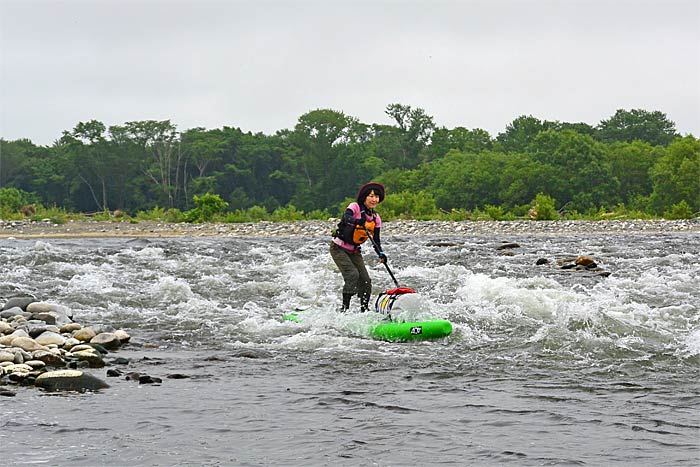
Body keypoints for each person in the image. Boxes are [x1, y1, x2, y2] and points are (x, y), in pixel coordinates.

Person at [330, 182, 388, 312]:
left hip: (354, 251)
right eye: (371, 196)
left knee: (366, 280)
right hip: (338, 248)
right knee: (352, 274)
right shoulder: (354, 207)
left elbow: (376, 240)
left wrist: (381, 254)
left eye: (377, 196)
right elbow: (346, 217)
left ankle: (364, 309)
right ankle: (344, 309)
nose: (374, 199)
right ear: (364, 197)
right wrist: (357, 221)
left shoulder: (375, 218)